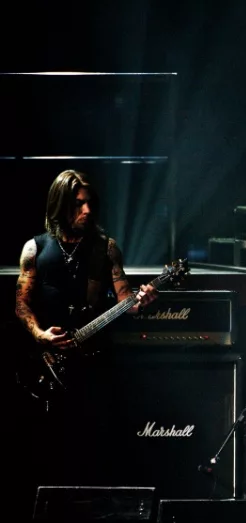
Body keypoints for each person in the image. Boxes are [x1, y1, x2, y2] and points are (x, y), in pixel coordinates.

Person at [13, 170, 158, 488]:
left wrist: (142, 300)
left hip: (94, 364)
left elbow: (127, 302)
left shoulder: (106, 248)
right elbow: (21, 304)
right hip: (48, 366)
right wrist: (40, 335)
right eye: (78, 204)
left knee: (96, 450)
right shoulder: (35, 249)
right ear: (60, 204)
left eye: (90, 203)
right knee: (47, 451)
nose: (87, 210)